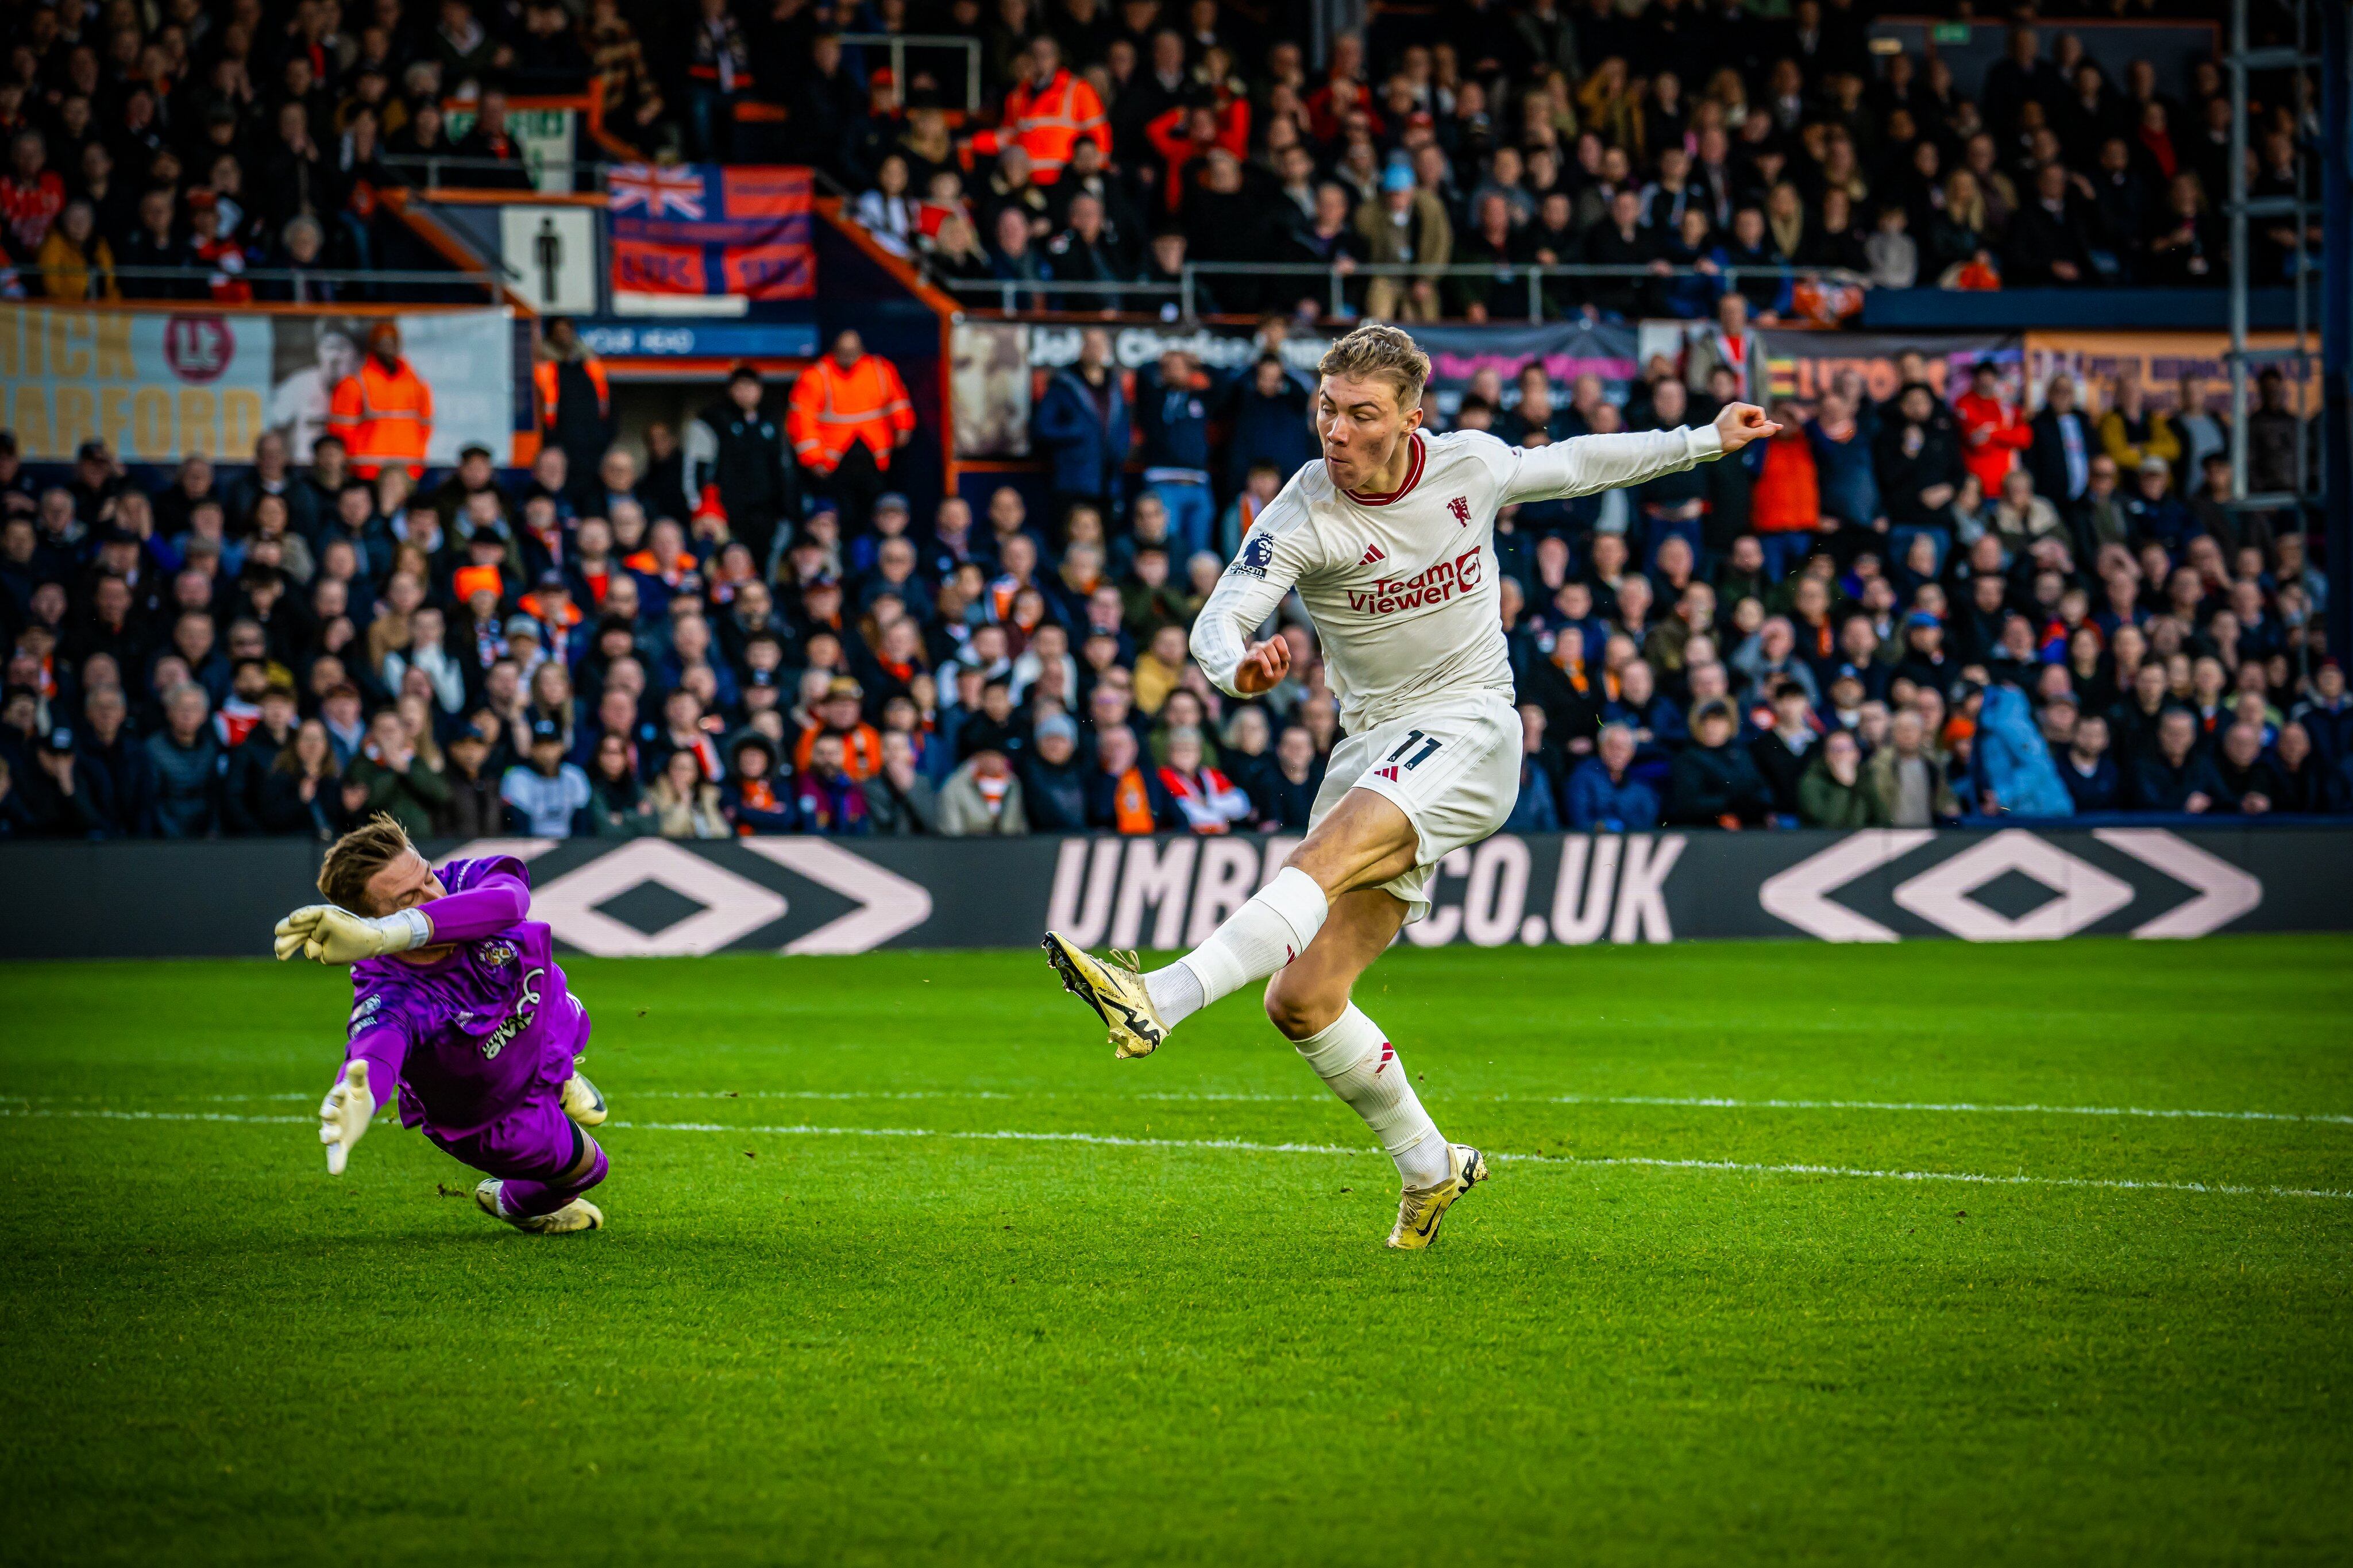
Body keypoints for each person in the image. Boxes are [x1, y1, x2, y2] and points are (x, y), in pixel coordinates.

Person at [1043, 323, 1772, 1250]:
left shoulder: (1470, 465)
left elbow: (1580, 463)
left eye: (1361, 414)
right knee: (1302, 998)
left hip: (1471, 726)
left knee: (1320, 857)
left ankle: (1161, 997)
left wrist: (1703, 439)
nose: (1336, 431)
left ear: (1410, 419)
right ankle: (1432, 1165)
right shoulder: (1302, 511)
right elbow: (1218, 621)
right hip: (1374, 747)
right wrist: (1237, 671)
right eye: (1326, 409)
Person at [271, 816, 612, 1234]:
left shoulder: (456, 884)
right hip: (495, 1112)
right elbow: (375, 1048)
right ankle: (511, 1204)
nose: (434, 894)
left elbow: (510, 900)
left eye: (428, 876)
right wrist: (361, 1094)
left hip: (538, 1023)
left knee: (571, 1013)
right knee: (589, 1169)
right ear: (365, 921)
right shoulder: (394, 994)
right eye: (408, 899)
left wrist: (390, 931)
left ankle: (558, 1079)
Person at [326, 322, 435, 481]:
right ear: (373, 346)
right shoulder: (355, 384)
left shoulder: (417, 384)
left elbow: (425, 426)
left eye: (392, 342)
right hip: (367, 471)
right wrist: (356, 461)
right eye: (382, 343)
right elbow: (341, 431)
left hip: (408, 470)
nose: (388, 348)